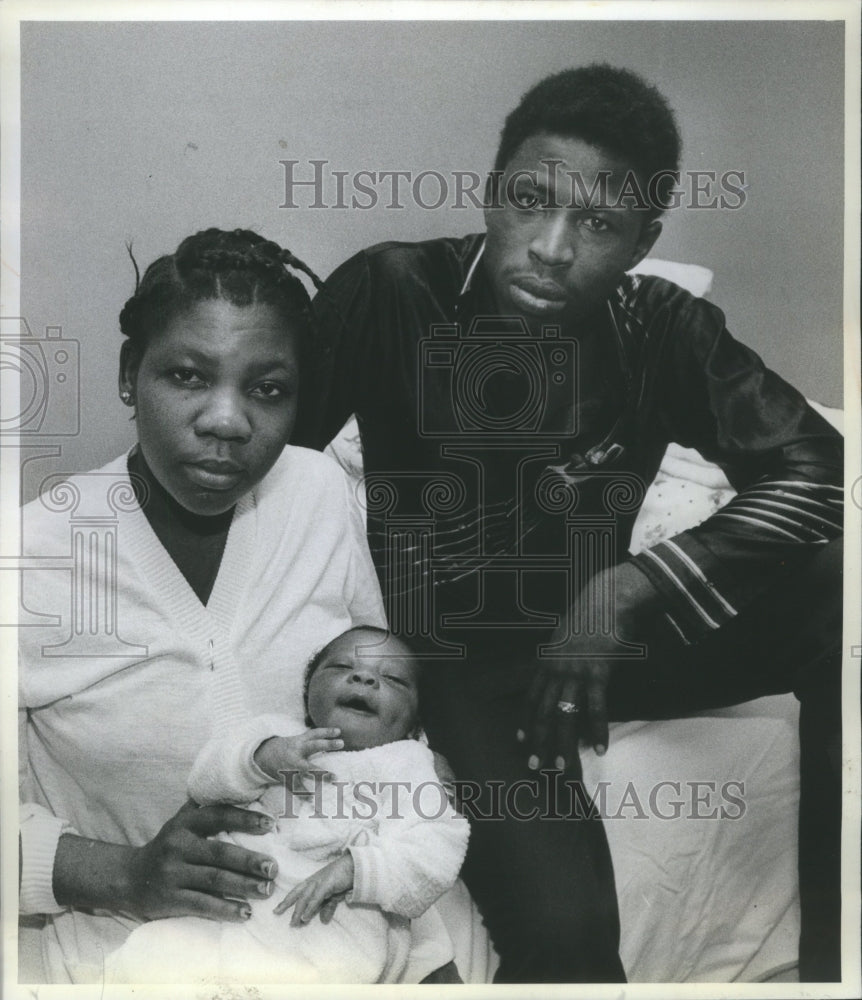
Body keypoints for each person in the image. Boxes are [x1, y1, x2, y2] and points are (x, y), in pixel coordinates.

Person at [296, 64, 844, 982]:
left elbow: (818, 469)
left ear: (642, 241)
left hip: (602, 640)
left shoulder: (661, 325)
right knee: (568, 941)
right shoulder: (393, 289)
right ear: (491, 191)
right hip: (466, 664)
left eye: (598, 224)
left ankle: (836, 960)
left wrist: (622, 592)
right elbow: (272, 472)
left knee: (842, 592)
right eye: (530, 201)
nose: (551, 247)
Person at [18, 228, 456, 984]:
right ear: (131, 375)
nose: (227, 421)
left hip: (326, 945)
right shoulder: (32, 552)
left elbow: (376, 744)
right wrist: (124, 874)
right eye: (188, 376)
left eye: (268, 389)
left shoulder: (320, 496)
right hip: (122, 954)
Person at [104, 625, 469, 984]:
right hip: (231, 908)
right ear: (309, 690)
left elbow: (435, 845)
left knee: (339, 969)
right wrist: (260, 759)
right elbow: (203, 784)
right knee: (151, 955)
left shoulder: (407, 763)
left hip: (330, 919)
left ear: (414, 723)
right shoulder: (276, 733)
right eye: (341, 668)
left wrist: (358, 870)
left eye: (392, 679)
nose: (363, 678)